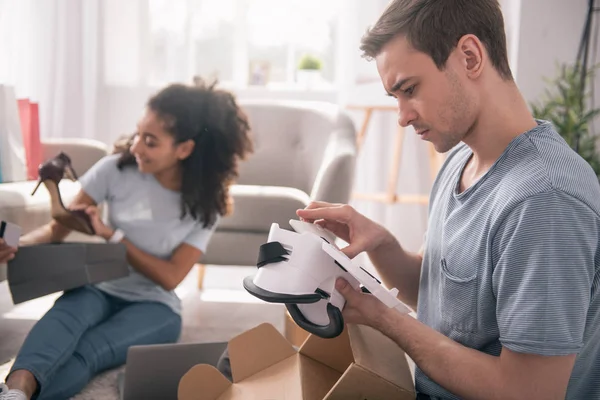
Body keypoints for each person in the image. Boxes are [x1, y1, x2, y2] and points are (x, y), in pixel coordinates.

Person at [296, 1, 600, 399]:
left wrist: (387, 321)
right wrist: (382, 243)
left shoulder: (543, 199)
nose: (402, 116)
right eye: (395, 97)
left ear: (469, 57)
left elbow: (530, 392)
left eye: (409, 89)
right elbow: (443, 302)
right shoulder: (460, 160)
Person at [0, 80, 253, 400]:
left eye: (150, 141)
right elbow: (56, 229)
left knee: (89, 352)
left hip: (155, 307)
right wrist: (17, 246)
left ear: (184, 149)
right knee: (59, 325)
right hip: (98, 284)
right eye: (137, 135)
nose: (135, 147)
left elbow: (170, 276)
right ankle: (14, 393)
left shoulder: (206, 205)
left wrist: (112, 234)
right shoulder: (113, 170)